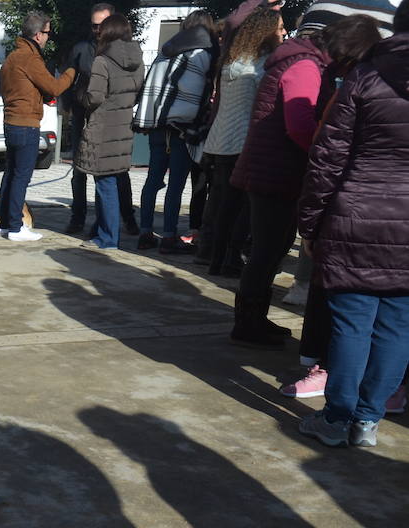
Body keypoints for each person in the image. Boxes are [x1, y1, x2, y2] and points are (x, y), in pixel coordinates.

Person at [228, 14, 383, 348]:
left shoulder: (302, 60)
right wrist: (330, 153)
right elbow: (299, 125)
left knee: (271, 249)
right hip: (276, 172)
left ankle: (255, 319)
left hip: (273, 169)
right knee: (267, 251)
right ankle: (248, 324)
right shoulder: (305, 66)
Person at [296, 2, 409, 448]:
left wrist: (309, 222)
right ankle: (367, 422)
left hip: (356, 218)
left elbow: (327, 158)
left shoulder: (365, 76)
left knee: (351, 324)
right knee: (399, 326)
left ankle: (337, 418)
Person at [197, 9, 284, 280]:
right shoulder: (263, 64)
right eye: (280, 27)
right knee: (244, 208)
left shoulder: (232, 60)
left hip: (221, 139)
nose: (283, 32)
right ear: (266, 32)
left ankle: (216, 257)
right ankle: (233, 259)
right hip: (245, 140)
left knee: (224, 204)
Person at [132, 10, 217, 253]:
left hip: (158, 124)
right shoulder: (201, 55)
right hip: (182, 128)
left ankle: (145, 233)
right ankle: (169, 238)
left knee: (153, 180)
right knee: (176, 184)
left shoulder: (165, 50)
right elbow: (199, 93)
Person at [0, 11, 75, 242]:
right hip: (26, 124)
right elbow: (53, 87)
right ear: (38, 34)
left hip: (11, 122)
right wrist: (72, 71)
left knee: (11, 174)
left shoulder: (13, 57)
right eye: (48, 33)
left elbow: (17, 90)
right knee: (21, 177)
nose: (48, 37)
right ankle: (15, 227)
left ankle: (5, 224)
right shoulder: (30, 58)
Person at [63, 3, 137, 236]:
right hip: (83, 116)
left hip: (109, 120)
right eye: (94, 25)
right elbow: (68, 79)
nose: (97, 30)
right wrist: (69, 104)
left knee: (116, 172)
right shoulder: (82, 49)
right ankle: (79, 217)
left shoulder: (123, 52)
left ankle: (126, 218)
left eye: (102, 25)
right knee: (79, 170)